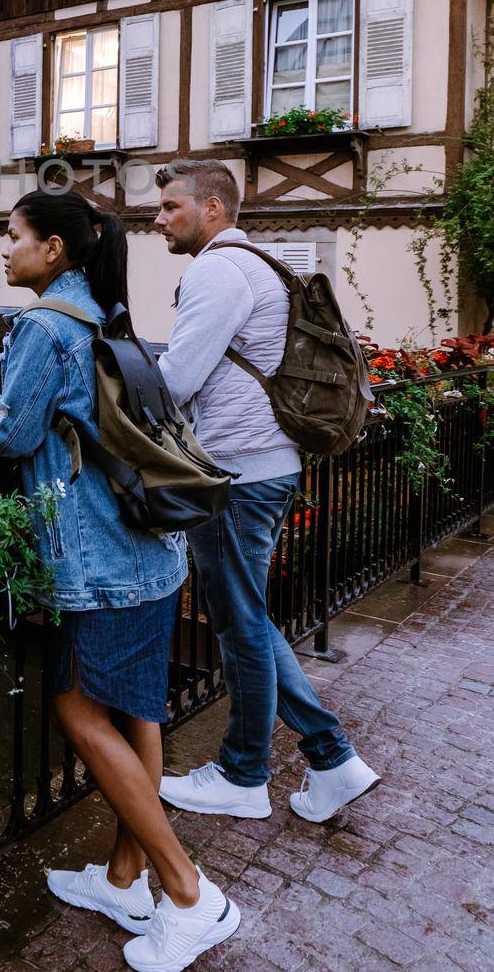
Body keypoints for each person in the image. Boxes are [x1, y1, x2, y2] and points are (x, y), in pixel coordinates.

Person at [0, 191, 241, 972]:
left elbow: (12, 436)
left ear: (52, 251)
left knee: (79, 710)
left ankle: (188, 895)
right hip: (149, 550)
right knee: (137, 710)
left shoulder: (43, 326)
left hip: (99, 560)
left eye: (13, 238)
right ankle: (123, 877)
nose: (3, 252)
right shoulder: (107, 315)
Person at [153, 159, 378, 823]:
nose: (158, 219)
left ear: (212, 208)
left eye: (170, 207)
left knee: (241, 624)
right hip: (267, 465)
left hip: (235, 472)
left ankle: (249, 771)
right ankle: (325, 760)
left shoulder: (217, 270)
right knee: (245, 618)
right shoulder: (259, 264)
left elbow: (174, 381)